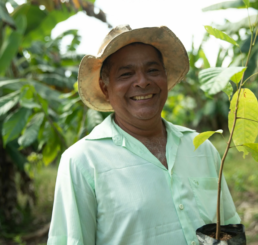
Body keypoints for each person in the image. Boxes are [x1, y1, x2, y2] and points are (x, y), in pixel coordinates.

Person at [47, 25, 240, 245]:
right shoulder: (82, 161)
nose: (142, 81)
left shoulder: (201, 147)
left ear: (165, 78)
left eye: (153, 70)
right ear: (105, 87)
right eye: (126, 74)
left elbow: (226, 230)